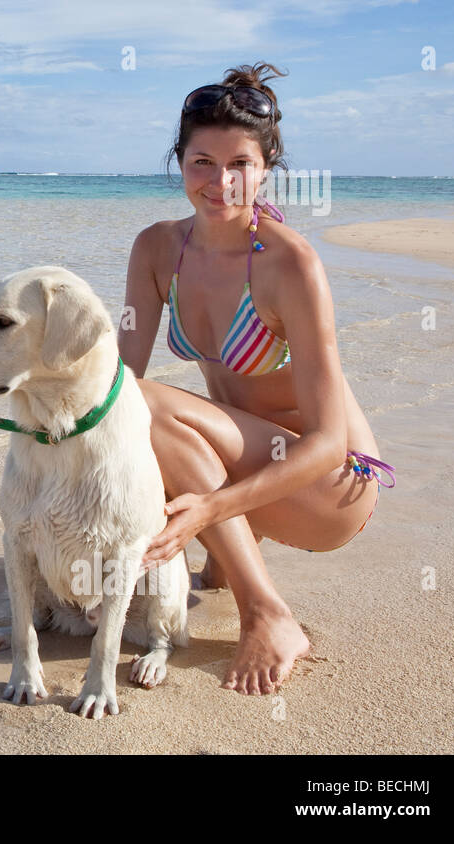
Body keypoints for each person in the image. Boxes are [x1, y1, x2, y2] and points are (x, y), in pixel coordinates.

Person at [119, 62, 395, 697]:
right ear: (178, 162)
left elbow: (327, 441)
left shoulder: (289, 263)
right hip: (249, 466)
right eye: (202, 162)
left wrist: (213, 507)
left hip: (329, 487)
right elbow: (120, 375)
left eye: (240, 164)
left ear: (267, 166)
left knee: (148, 408)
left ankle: (269, 614)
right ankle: (231, 547)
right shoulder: (158, 249)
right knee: (121, 405)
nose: (221, 183)